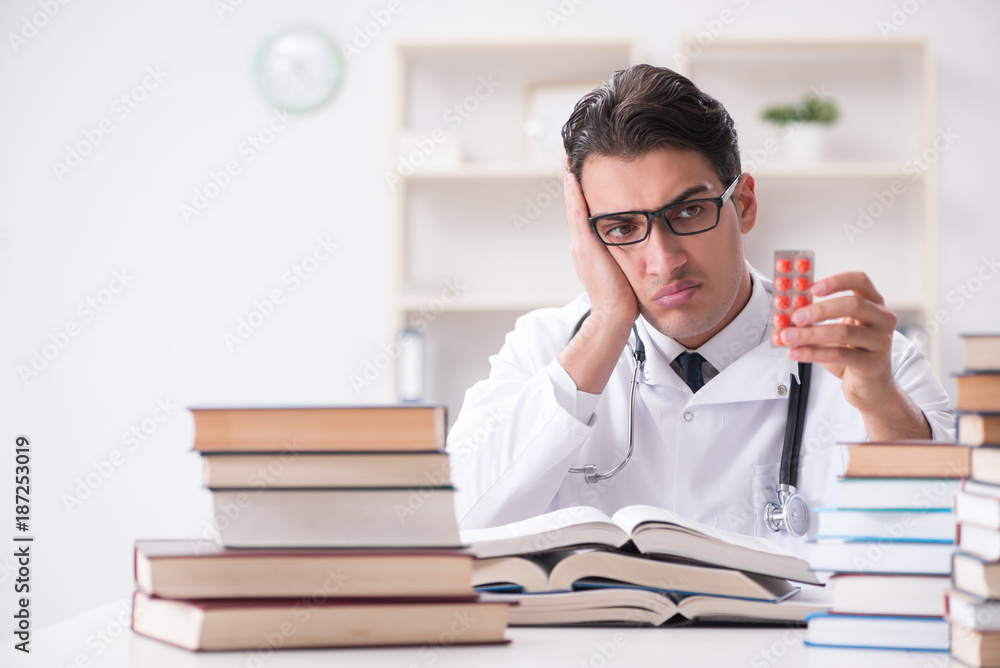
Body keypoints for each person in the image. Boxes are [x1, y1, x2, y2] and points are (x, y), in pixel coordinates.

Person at [445, 64, 954, 554]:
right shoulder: (543, 350)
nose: (664, 260)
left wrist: (880, 401)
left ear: (744, 204)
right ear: (589, 241)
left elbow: (952, 538)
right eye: (622, 228)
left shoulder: (870, 362)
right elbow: (456, 529)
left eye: (688, 211)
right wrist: (606, 324)